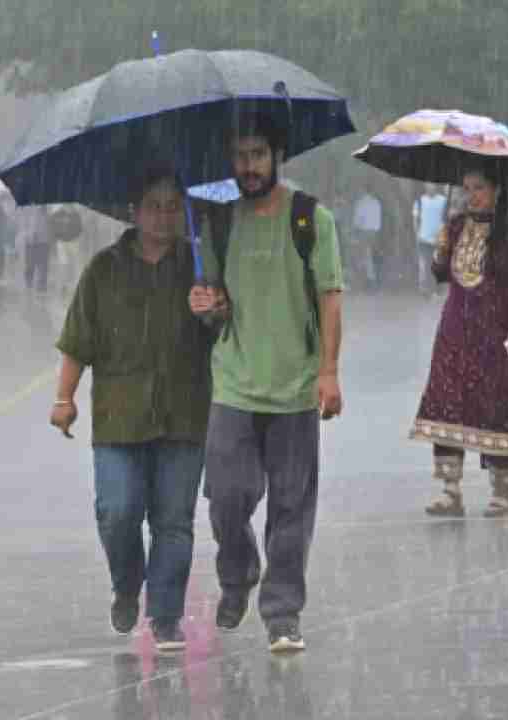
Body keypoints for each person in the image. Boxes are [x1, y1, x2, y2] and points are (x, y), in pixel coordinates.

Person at [188, 110, 345, 653]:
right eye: (240, 156)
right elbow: (213, 306)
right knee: (226, 500)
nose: (249, 166)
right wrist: (206, 304)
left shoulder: (310, 219)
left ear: (277, 157)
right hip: (233, 385)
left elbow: (330, 296)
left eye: (258, 155)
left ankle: (282, 612)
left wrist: (327, 371)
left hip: (295, 388)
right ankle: (238, 572)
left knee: (291, 509)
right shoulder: (219, 222)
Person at [52, 163, 214, 652]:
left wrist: (214, 313)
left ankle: (165, 617)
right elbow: (77, 341)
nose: (163, 217)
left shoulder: (201, 265)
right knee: (117, 512)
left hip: (184, 415)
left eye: (172, 207)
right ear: (134, 211)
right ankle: (127, 585)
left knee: (174, 522)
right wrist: (64, 398)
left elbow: (226, 334)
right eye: (154, 207)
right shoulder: (103, 270)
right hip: (118, 419)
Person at [413, 164, 508, 519]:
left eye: (479, 188)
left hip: (498, 334)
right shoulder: (455, 227)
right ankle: (450, 491)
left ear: (497, 190)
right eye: (467, 188)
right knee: (448, 404)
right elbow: (442, 275)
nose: (472, 195)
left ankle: (501, 494)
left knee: (499, 408)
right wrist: (440, 251)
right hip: (456, 331)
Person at [413, 184, 449, 296]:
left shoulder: (443, 201)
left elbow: (448, 218)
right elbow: (415, 219)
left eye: (432, 184)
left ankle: (439, 290)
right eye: (428, 184)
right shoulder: (419, 201)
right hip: (424, 239)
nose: (430, 187)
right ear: (425, 186)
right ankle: (425, 290)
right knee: (424, 265)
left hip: (439, 239)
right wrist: (417, 234)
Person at [352, 185, 384, 292]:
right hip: (376, 233)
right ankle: (374, 281)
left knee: (366, 257)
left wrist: (356, 233)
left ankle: (370, 282)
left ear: (363, 190)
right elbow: (379, 221)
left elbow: (357, 221)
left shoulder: (361, 203)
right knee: (373, 256)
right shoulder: (377, 203)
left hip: (365, 233)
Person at [18, 205, 52, 292]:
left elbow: (51, 221)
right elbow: (22, 221)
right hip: (30, 241)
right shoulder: (26, 206)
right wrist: (26, 234)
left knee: (43, 266)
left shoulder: (47, 206)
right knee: (29, 265)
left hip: (43, 240)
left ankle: (41, 288)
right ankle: (28, 286)